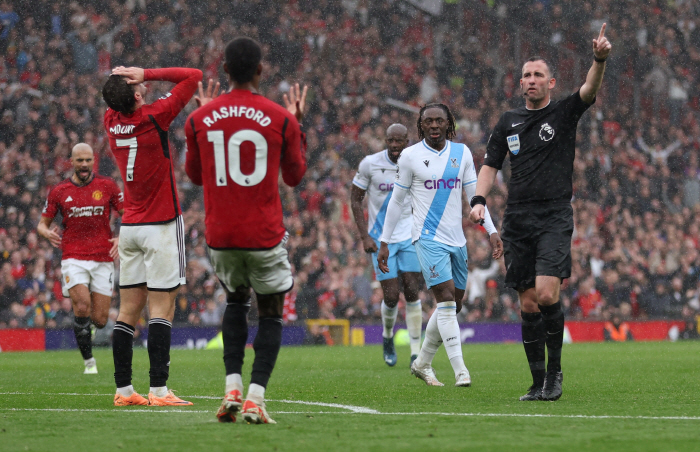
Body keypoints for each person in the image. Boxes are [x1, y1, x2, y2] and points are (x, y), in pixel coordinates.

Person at [469, 24, 612, 401]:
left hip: (553, 216)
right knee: (528, 302)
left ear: (551, 82)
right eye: (526, 76)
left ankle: (555, 375)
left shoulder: (564, 113)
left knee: (548, 294)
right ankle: (536, 382)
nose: (531, 81)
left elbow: (590, 90)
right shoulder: (507, 122)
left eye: (538, 76)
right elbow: (490, 165)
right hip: (517, 218)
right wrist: (479, 200)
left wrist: (598, 60)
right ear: (520, 84)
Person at [185, 37, 307, 424]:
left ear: (224, 71)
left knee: (235, 302)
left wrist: (206, 119)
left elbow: (194, 176)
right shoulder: (280, 117)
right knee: (270, 312)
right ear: (260, 70)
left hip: (221, 237)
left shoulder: (198, 119)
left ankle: (231, 390)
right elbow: (295, 176)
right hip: (263, 234)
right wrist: (297, 125)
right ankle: (255, 398)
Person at [378, 103, 503, 387]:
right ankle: (461, 370)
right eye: (428, 121)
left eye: (439, 121)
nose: (434, 125)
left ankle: (422, 363)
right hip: (425, 238)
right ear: (421, 126)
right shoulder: (409, 156)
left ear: (449, 124)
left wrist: (492, 231)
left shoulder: (461, 154)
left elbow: (476, 198)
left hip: (456, 240)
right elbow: (397, 201)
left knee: (453, 306)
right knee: (445, 300)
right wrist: (384, 241)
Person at [103, 64, 202, 406]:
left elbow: (113, 98)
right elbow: (193, 76)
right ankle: (159, 390)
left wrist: (126, 84)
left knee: (127, 311)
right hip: (160, 225)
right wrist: (145, 72)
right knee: (162, 307)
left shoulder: (110, 121)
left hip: (129, 227)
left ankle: (124, 390)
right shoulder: (155, 116)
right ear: (135, 93)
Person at [37, 143, 123, 374]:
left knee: (101, 320)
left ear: (93, 161)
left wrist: (122, 237)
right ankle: (89, 361)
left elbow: (129, 213)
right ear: (72, 162)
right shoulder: (59, 191)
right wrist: (47, 232)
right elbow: (41, 225)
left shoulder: (108, 186)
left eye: (87, 160)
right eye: (79, 161)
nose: (84, 165)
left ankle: (86, 330)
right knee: (82, 305)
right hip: (73, 257)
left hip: (103, 258)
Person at [351, 123, 424, 368]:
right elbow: (354, 199)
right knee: (392, 296)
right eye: (390, 141)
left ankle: (416, 352)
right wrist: (364, 237)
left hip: (410, 237)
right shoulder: (370, 164)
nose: (394, 146)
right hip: (381, 240)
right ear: (385, 139)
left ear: (407, 141)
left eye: (399, 141)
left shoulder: (417, 161)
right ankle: (387, 336)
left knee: (412, 290)